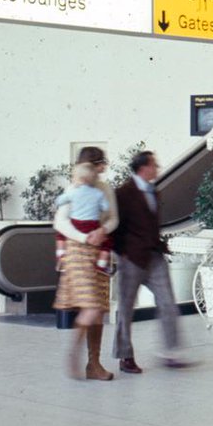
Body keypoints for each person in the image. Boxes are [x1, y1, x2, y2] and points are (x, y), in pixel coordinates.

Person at [112, 150, 190, 373]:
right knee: (126, 309)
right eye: (154, 165)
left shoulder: (153, 191)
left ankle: (170, 352)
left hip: (154, 257)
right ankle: (125, 356)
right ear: (143, 168)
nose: (158, 168)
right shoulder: (123, 193)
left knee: (167, 303)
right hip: (131, 258)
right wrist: (121, 253)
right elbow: (114, 226)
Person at [52, 146, 119, 381]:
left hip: (99, 249)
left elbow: (113, 218)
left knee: (98, 309)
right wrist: (85, 237)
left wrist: (102, 231)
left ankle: (94, 363)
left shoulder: (104, 189)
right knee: (91, 307)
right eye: (101, 164)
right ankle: (74, 352)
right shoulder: (73, 189)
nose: (104, 168)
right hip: (78, 251)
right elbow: (60, 222)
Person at [55, 162, 114, 274]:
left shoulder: (73, 192)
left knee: (60, 234)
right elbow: (106, 207)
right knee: (108, 241)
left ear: (80, 179)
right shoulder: (99, 193)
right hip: (93, 225)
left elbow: (59, 201)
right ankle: (101, 263)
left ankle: (61, 255)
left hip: (76, 224)